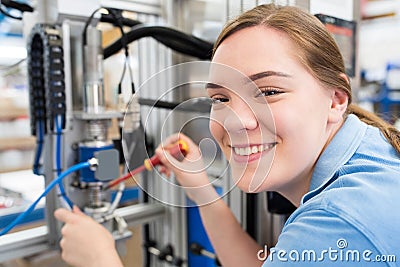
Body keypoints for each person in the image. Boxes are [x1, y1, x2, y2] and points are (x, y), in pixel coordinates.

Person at [54, 3, 400, 267]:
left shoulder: (341, 222)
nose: (236, 122)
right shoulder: (371, 153)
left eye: (268, 92)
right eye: (220, 98)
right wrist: (200, 187)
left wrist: (102, 260)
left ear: (336, 100)